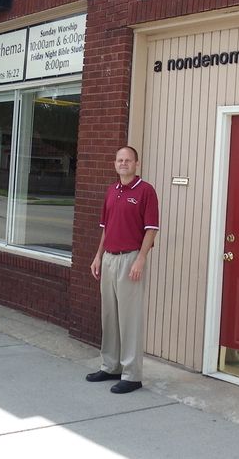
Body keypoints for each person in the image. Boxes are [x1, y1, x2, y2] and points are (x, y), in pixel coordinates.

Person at [85, 146, 159, 394]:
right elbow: (106, 228)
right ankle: (110, 366)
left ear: (137, 163)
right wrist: (98, 256)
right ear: (115, 164)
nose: (123, 163)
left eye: (128, 160)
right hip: (109, 259)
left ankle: (132, 374)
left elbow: (151, 229)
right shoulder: (111, 191)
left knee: (129, 319)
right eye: (119, 160)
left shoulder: (145, 191)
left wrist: (140, 259)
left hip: (130, 261)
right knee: (110, 316)